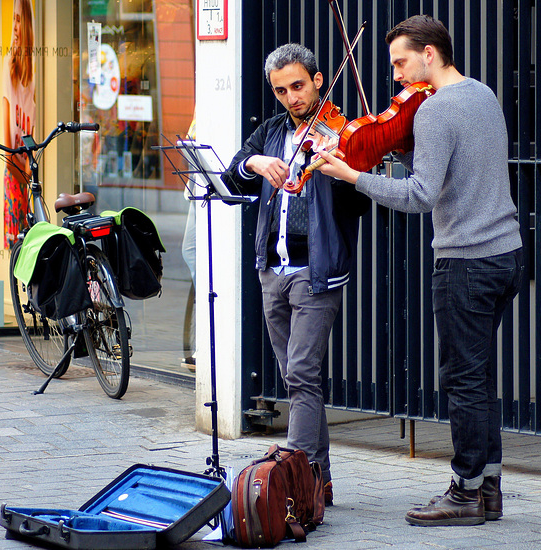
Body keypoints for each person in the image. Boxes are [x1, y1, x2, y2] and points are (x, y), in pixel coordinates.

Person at [317, 15, 523, 526]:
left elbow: (420, 196)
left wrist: (353, 174)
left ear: (429, 53)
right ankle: (488, 489)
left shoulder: (433, 111)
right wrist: (402, 151)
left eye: (400, 62)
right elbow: (458, 170)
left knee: (464, 380)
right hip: (509, 254)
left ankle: (464, 492)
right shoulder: (483, 94)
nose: (395, 75)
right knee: (479, 376)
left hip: (466, 261)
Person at [223, 43, 370, 505]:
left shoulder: (341, 132)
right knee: (295, 378)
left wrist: (343, 167)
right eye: (281, 90)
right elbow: (232, 175)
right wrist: (255, 162)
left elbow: (362, 201)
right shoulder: (269, 132)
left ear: (319, 80)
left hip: (316, 270)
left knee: (303, 371)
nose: (291, 98)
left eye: (298, 86)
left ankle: (294, 480)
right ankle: (319, 481)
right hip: (273, 268)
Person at [3, 0, 35, 249]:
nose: (15, 26)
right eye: (13, 19)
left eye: (19, 19)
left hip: (28, 163)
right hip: (15, 165)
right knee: (18, 240)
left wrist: (29, 163)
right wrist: (13, 159)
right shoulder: (8, 63)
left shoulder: (34, 69)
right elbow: (6, 114)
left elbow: (32, 123)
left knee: (31, 236)